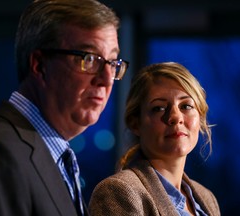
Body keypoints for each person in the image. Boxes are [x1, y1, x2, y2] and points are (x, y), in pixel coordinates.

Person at [0, 0, 129, 215]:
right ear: (40, 65)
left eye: (112, 63)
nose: (106, 79)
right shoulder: (0, 153)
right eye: (89, 59)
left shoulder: (53, 153)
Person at [89, 62, 220, 216]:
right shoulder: (118, 191)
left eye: (186, 106)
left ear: (201, 117)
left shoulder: (207, 198)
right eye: (159, 108)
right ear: (135, 123)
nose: (175, 117)